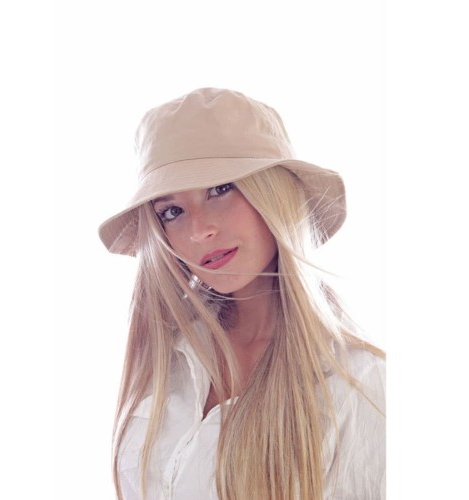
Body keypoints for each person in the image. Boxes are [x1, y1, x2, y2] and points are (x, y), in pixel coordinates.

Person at [98, 88, 385, 500]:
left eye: (220, 189)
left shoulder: (358, 384)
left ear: (274, 194)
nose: (199, 230)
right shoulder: (168, 358)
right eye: (172, 211)